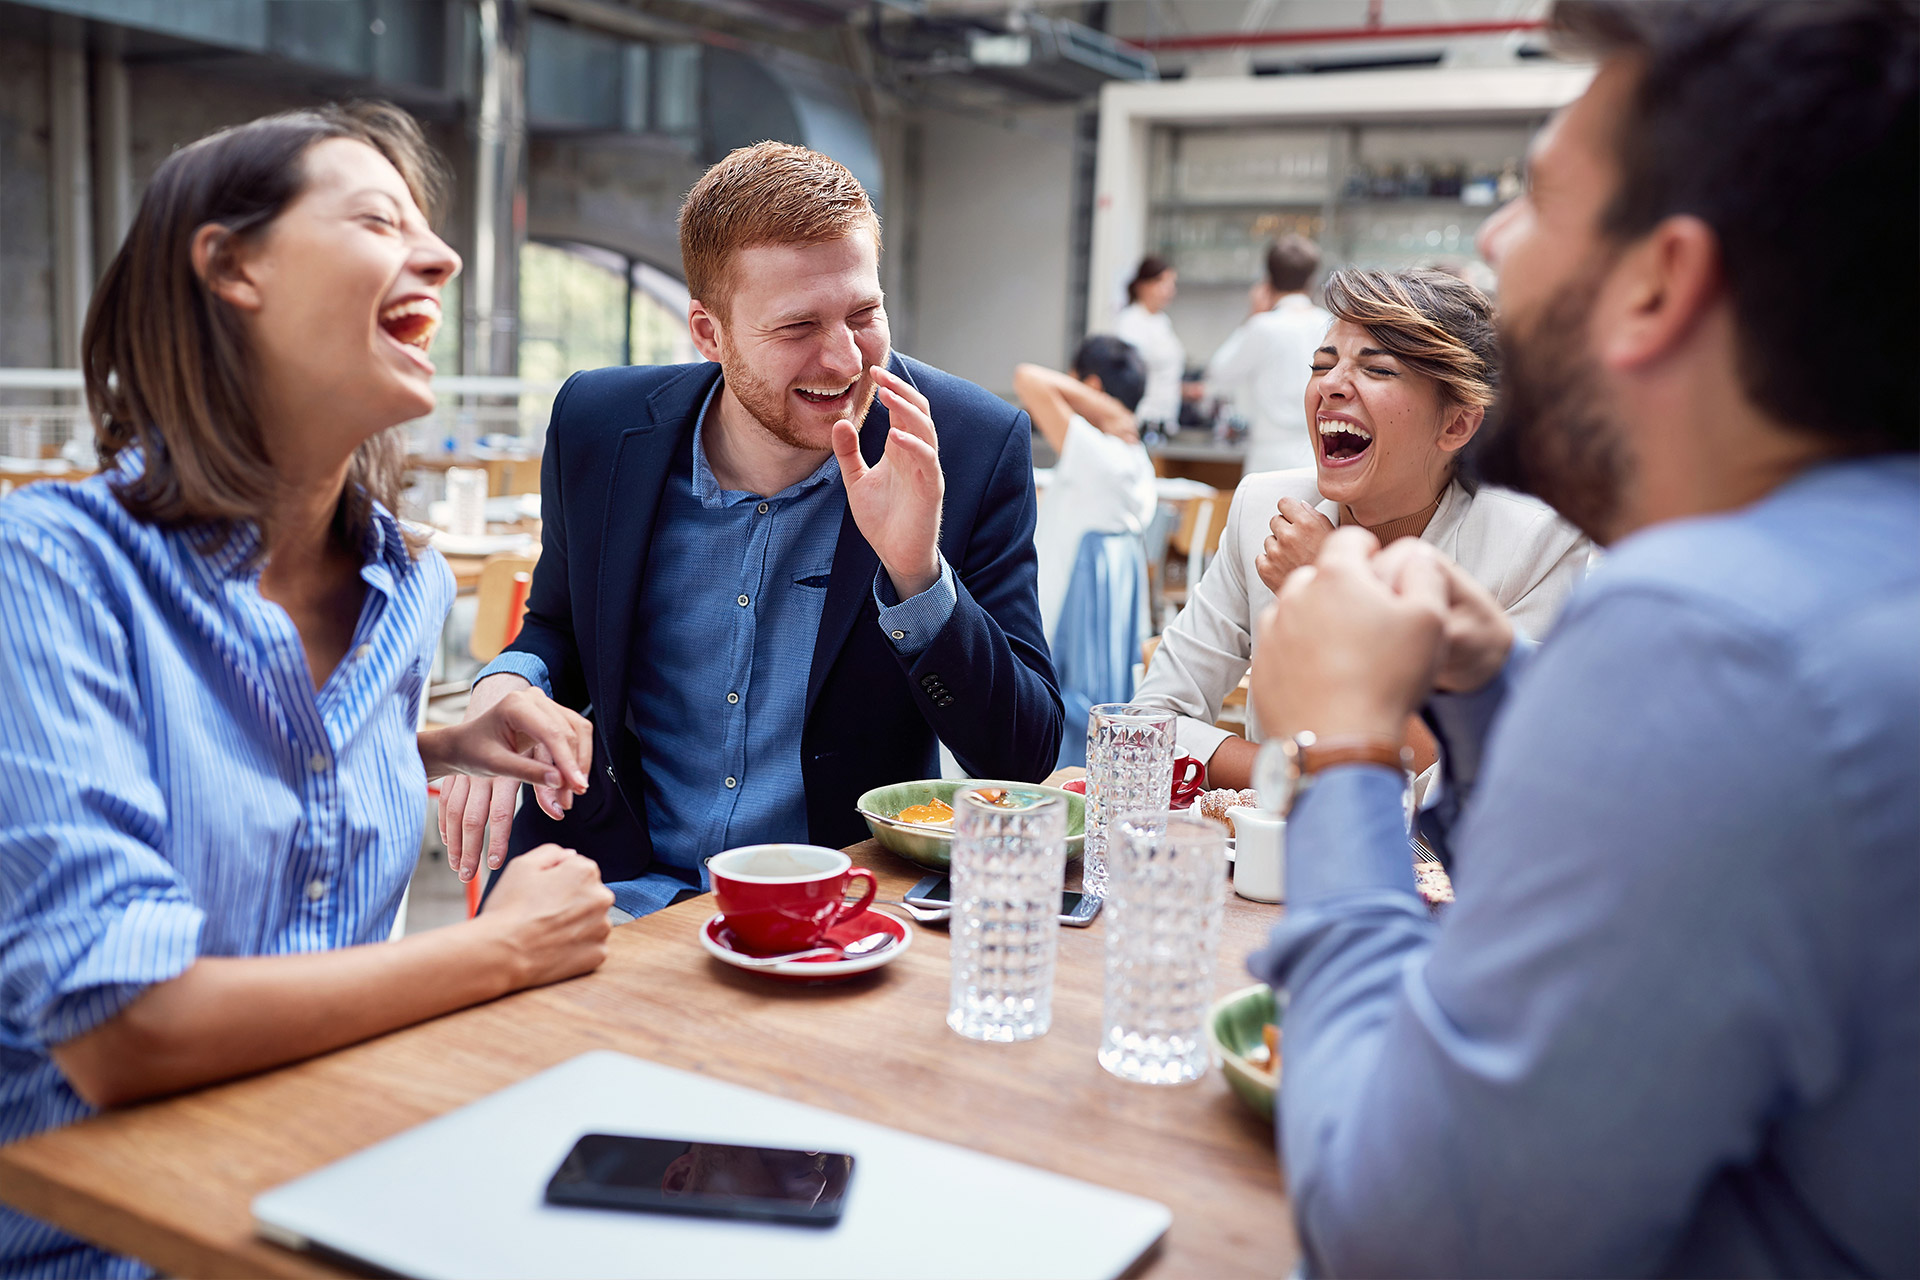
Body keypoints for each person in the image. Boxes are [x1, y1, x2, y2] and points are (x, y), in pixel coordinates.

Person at [1244, 1, 1918, 1274]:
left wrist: (1342, 756)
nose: (1494, 243)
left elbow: (1402, 1236)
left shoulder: (1714, 637)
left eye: (1536, 198)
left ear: (1659, 283)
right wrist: (1496, 693)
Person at [0, 105, 616, 1278]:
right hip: (105, 1250)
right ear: (231, 264)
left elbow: (262, 747)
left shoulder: (405, 585)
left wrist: (423, 737)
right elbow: (123, 1026)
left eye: (431, 231)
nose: (438, 257)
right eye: (380, 220)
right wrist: (507, 946)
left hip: (348, 1198)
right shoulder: (45, 566)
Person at [440, 142, 1062, 919]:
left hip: (829, 903)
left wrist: (917, 576)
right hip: (608, 883)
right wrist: (506, 681)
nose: (845, 360)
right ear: (708, 332)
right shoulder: (599, 424)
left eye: (864, 315)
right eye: (798, 326)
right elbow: (558, 627)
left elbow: (1021, 757)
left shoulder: (966, 444)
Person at [1133, 267, 1589, 790]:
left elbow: (1487, 780)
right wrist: (1285, 774)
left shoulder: (1537, 545)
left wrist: (1336, 592)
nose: (1329, 386)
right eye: (1321, 365)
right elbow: (1149, 724)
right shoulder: (1265, 508)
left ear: (1457, 423)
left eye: (1377, 370)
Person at [1014, 336, 1157, 644]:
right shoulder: (1137, 459)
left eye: (1072, 383)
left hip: (1055, 628)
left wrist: (1107, 410)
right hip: (1099, 633)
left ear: (1091, 388)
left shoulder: (1097, 454)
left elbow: (1027, 378)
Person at [1204, 235, 1331, 474]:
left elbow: (1219, 373)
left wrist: (1252, 314)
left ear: (1268, 280)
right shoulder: (1327, 324)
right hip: (1315, 457)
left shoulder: (1262, 326)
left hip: (1267, 459)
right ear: (1312, 280)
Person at [1111, 256, 1188, 432]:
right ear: (1143, 285)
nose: (1169, 291)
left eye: (1172, 284)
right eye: (1163, 283)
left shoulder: (1162, 321)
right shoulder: (1130, 322)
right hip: (1142, 420)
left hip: (1166, 418)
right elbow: (1127, 374)